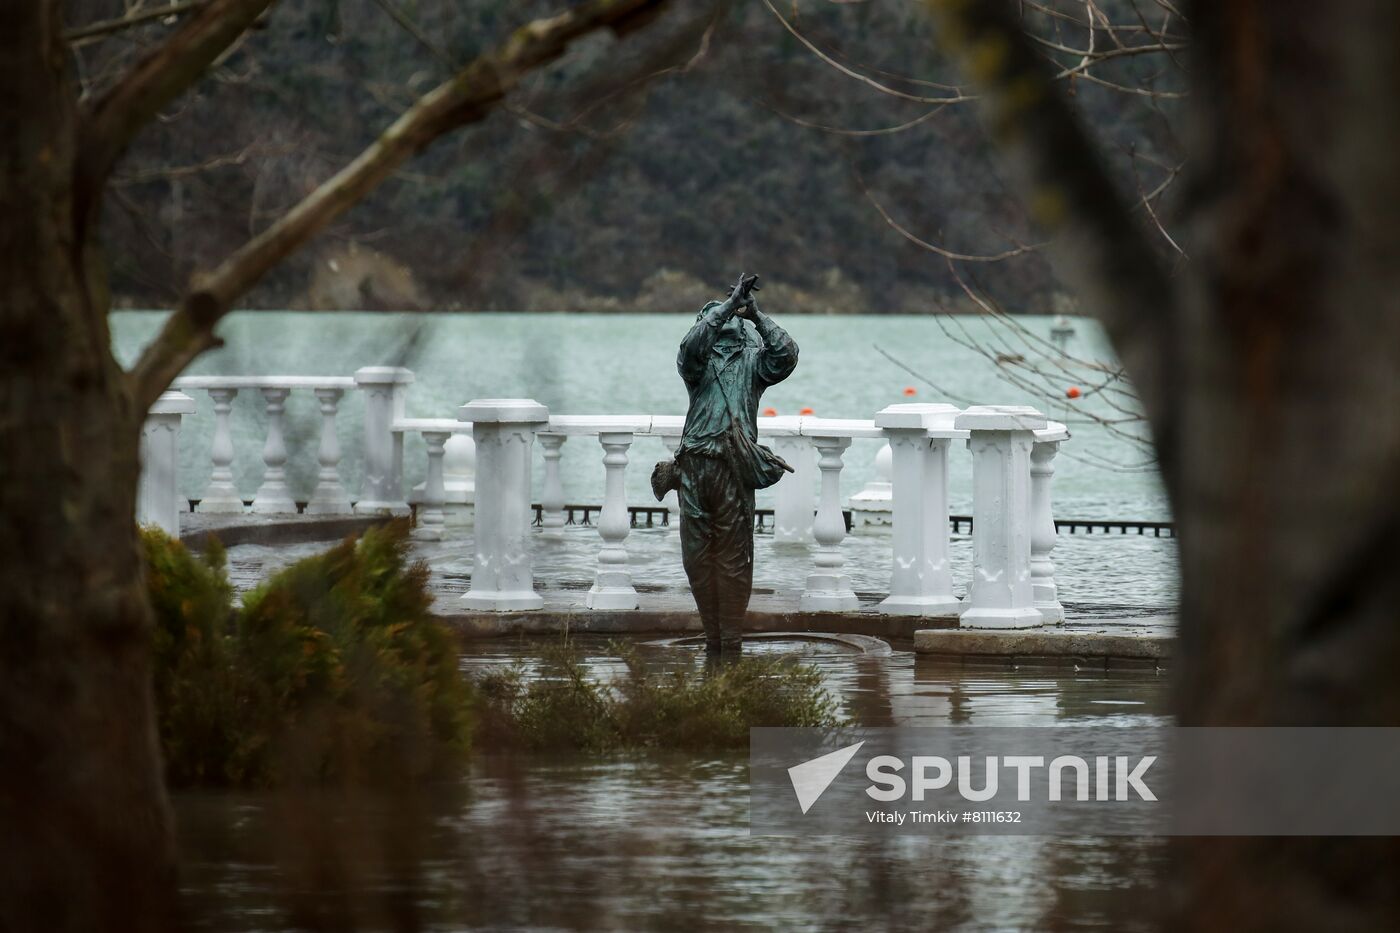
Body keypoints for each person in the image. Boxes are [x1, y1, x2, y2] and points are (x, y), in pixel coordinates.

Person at [672, 273, 799, 654]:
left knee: (734, 557)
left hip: (733, 466)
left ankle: (731, 640)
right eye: (714, 316)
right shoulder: (697, 365)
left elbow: (787, 355)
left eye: (731, 316)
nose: (724, 319)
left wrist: (756, 315)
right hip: (694, 466)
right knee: (696, 557)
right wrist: (726, 305)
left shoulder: (753, 364)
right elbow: (690, 346)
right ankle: (712, 638)